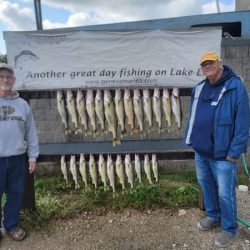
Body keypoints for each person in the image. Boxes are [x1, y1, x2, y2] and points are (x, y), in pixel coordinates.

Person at [185, 51, 249, 248]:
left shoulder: (235, 86)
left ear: (220, 63)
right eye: (204, 64)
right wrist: (191, 139)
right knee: (207, 186)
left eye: (211, 62)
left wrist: (235, 151)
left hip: (223, 154)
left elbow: (243, 122)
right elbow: (193, 117)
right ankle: (213, 216)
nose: (207, 66)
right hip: (201, 151)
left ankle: (229, 228)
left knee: (225, 193)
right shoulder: (199, 87)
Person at [0, 63, 39, 241]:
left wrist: (32, 156)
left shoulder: (23, 105)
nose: (5, 80)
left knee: (15, 195)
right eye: (1, 77)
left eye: (8, 77)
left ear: (14, 80)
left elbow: (31, 132)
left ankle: (11, 225)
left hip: (17, 159)